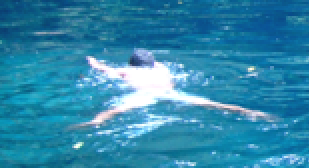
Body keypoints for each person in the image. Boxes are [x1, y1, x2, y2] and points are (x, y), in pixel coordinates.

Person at [76, 49, 273, 127]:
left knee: (116, 110)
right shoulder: (161, 68)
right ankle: (247, 112)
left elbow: (103, 69)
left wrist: (93, 62)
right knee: (212, 104)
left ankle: (95, 122)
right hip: (172, 94)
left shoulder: (127, 72)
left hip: (145, 95)